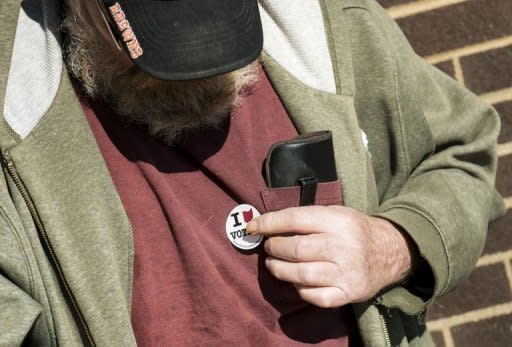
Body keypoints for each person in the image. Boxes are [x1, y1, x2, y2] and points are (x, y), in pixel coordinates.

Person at [0, 0, 505, 346]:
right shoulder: (15, 105)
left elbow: (462, 150)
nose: (203, 62)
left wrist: (392, 244)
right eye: (167, 47)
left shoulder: (326, 22)